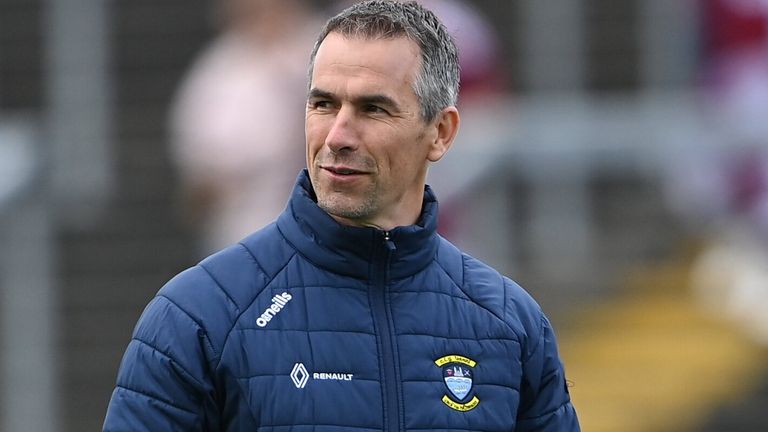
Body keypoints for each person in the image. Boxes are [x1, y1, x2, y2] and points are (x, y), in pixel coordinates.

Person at [103, 1, 580, 431]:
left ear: (440, 132)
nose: (337, 136)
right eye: (323, 104)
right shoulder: (197, 316)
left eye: (373, 109)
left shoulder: (510, 323)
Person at [169, 0, 319, 255]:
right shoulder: (219, 69)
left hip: (323, 232)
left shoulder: (326, 43)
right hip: (244, 238)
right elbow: (197, 178)